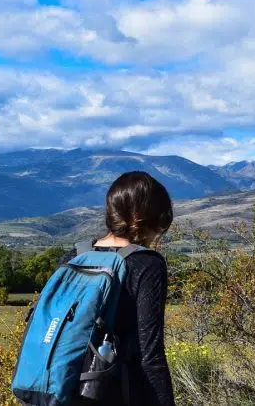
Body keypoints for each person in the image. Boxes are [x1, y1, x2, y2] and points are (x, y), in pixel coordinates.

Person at [61, 171, 176, 405]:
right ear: (148, 218)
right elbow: (151, 355)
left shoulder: (73, 257)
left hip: (63, 390)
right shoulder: (146, 264)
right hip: (118, 393)